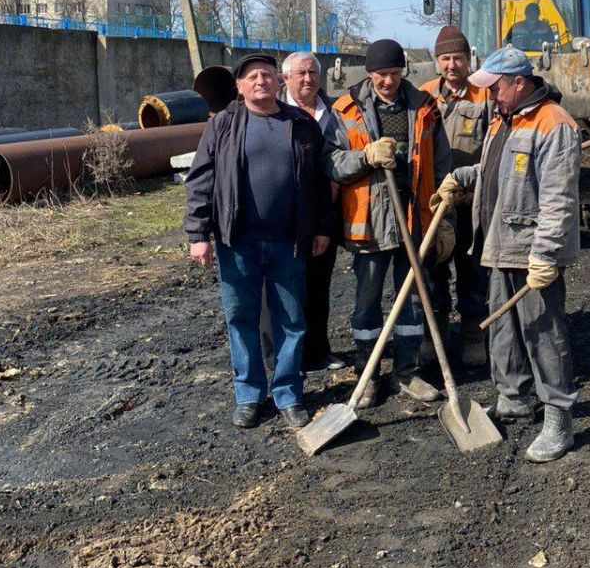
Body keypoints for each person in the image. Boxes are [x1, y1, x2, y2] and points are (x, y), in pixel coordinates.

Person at [432, 45, 581, 462]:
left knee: (544, 332)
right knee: (502, 328)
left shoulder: (554, 124)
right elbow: (491, 168)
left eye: (496, 87)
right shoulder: (505, 118)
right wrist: (459, 177)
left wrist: (546, 256)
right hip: (499, 241)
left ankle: (558, 417)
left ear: (519, 82)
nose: (490, 95)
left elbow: (559, 200)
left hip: (532, 249)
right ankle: (514, 395)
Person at [184, 53, 332, 430]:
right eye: (251, 77)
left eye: (266, 75)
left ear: (278, 82)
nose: (260, 81)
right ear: (239, 86)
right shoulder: (223, 126)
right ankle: (249, 394)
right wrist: (198, 234)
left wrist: (321, 228)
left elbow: (318, 184)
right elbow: (201, 180)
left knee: (291, 319)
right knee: (241, 318)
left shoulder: (300, 124)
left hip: (288, 242)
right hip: (238, 242)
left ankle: (288, 393)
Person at [325, 38, 455, 408]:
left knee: (413, 301)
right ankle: (368, 375)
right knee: (367, 303)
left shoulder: (424, 107)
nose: (388, 81)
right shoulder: (346, 110)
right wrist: (364, 156)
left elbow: (440, 160)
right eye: (381, 74)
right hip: (370, 224)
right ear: (370, 73)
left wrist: (445, 203)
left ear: (404, 72)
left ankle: (407, 371)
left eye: (395, 73)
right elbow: (330, 162)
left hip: (413, 220)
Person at [420, 24, 492, 365]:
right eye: (445, 58)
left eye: (458, 58)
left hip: (471, 202)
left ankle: (472, 335)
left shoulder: (485, 96)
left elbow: (495, 148)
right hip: (433, 204)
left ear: (469, 60)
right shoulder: (422, 96)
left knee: (472, 270)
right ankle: (435, 338)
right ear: (437, 62)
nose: (452, 65)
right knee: (432, 271)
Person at [278, 51, 344, 373]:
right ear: (286, 77)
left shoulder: (335, 112)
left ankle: (319, 349)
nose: (308, 79)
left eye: (313, 73)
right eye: (301, 73)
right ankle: (288, 358)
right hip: (283, 217)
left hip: (324, 213)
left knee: (319, 285)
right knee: (285, 291)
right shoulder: (272, 110)